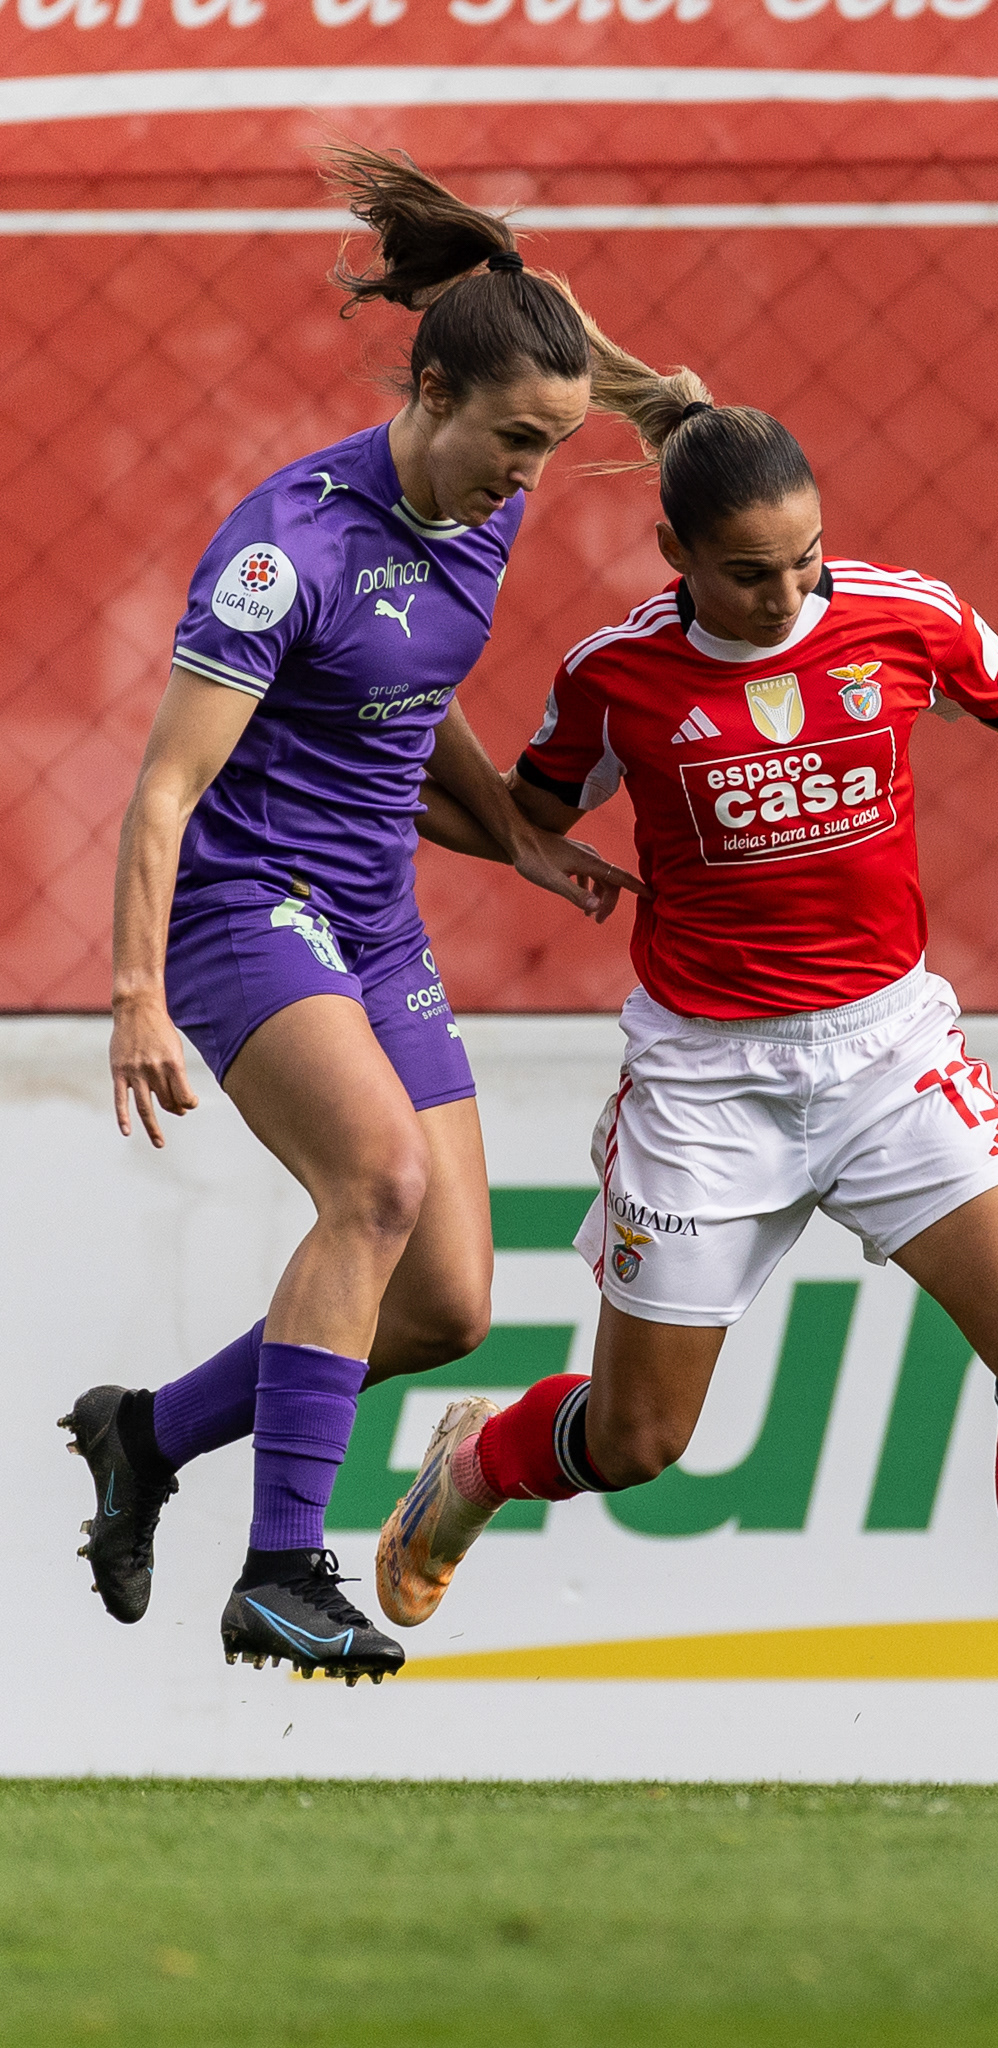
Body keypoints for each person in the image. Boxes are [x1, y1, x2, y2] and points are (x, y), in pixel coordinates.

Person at [376, 350, 998, 1776]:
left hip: (888, 1052)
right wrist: (506, 837)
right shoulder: (618, 679)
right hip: (707, 1083)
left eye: (806, 558)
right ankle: (477, 1464)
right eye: (751, 573)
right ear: (676, 555)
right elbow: (515, 808)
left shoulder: (904, 619)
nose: (788, 594)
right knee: (636, 1442)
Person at [60, 147, 643, 1686]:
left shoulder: (485, 503)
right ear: (432, 394)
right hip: (243, 908)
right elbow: (163, 793)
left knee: (446, 1305)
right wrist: (132, 995)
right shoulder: (287, 551)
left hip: (375, 915)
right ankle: (279, 1573)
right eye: (513, 441)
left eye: (551, 447)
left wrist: (514, 839)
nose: (528, 477)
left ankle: (145, 1436)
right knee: (375, 1184)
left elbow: (410, 698)